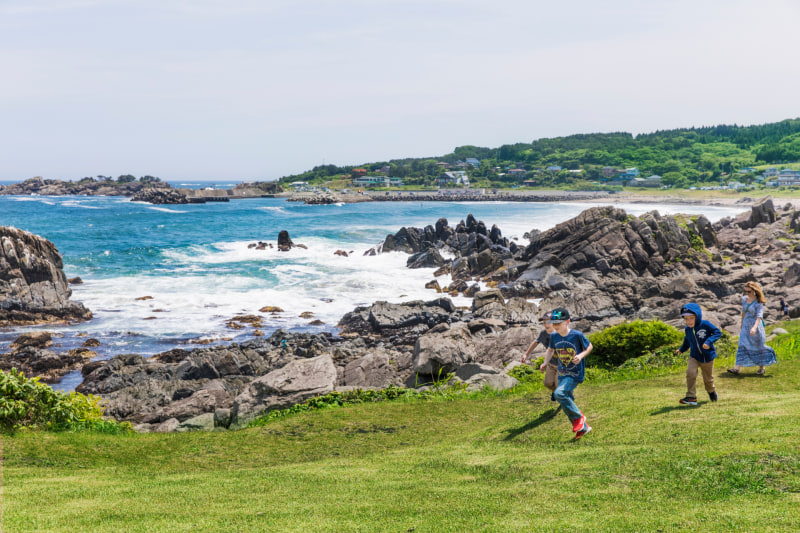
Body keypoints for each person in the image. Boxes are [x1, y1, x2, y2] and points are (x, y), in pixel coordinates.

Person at [540, 308, 593, 440]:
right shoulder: (554, 336)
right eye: (554, 323)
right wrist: (545, 362)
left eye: (559, 323)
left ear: (568, 322)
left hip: (575, 373)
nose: (556, 326)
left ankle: (579, 418)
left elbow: (589, 346)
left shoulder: (577, 335)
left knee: (559, 394)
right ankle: (583, 428)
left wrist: (580, 356)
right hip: (562, 372)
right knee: (566, 401)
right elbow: (550, 350)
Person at [674, 303, 722, 406]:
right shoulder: (688, 329)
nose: (689, 321)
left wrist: (709, 342)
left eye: (691, 318)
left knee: (708, 380)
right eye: (686, 319)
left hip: (707, 357)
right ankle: (691, 397)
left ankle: (711, 392)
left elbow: (717, 332)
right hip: (694, 356)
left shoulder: (705, 324)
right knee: (690, 373)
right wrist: (681, 350)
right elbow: (687, 341)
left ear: (697, 316)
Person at [728, 281, 778, 376]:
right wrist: (742, 322)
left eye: (749, 291)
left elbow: (759, 316)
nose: (747, 293)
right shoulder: (744, 299)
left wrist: (754, 328)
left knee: (759, 347)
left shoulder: (758, 302)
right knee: (741, 345)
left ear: (754, 291)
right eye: (745, 291)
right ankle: (736, 368)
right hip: (746, 325)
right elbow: (743, 311)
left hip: (756, 326)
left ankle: (762, 368)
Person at [521, 313, 557, 399]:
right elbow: (535, 342)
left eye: (548, 322)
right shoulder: (543, 333)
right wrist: (526, 354)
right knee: (547, 384)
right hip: (551, 363)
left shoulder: (560, 333)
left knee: (558, 384)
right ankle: (555, 391)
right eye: (544, 322)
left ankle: (565, 396)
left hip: (562, 365)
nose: (546, 324)